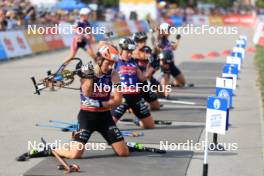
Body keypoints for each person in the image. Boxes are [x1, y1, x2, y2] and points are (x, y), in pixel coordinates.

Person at [54, 43, 129, 159]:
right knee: (75, 155)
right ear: (99, 59)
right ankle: (54, 149)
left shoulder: (113, 74)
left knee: (123, 153)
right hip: (87, 116)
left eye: (113, 64)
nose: (110, 67)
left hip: (105, 117)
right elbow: (86, 93)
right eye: (108, 63)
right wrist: (88, 77)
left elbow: (118, 99)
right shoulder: (87, 71)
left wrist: (100, 103)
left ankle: (121, 144)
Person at [111, 37, 154, 129]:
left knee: (150, 126)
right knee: (108, 125)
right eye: (128, 52)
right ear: (121, 50)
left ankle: (137, 120)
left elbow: (142, 78)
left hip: (136, 97)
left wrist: (151, 67)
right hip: (122, 98)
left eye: (131, 52)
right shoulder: (115, 61)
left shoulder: (133, 62)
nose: (130, 54)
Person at [132, 32, 160, 110]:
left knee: (159, 99)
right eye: (141, 41)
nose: (143, 43)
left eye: (144, 41)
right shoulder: (131, 52)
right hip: (135, 82)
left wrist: (156, 48)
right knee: (134, 107)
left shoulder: (147, 49)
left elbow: (154, 63)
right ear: (135, 42)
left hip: (147, 79)